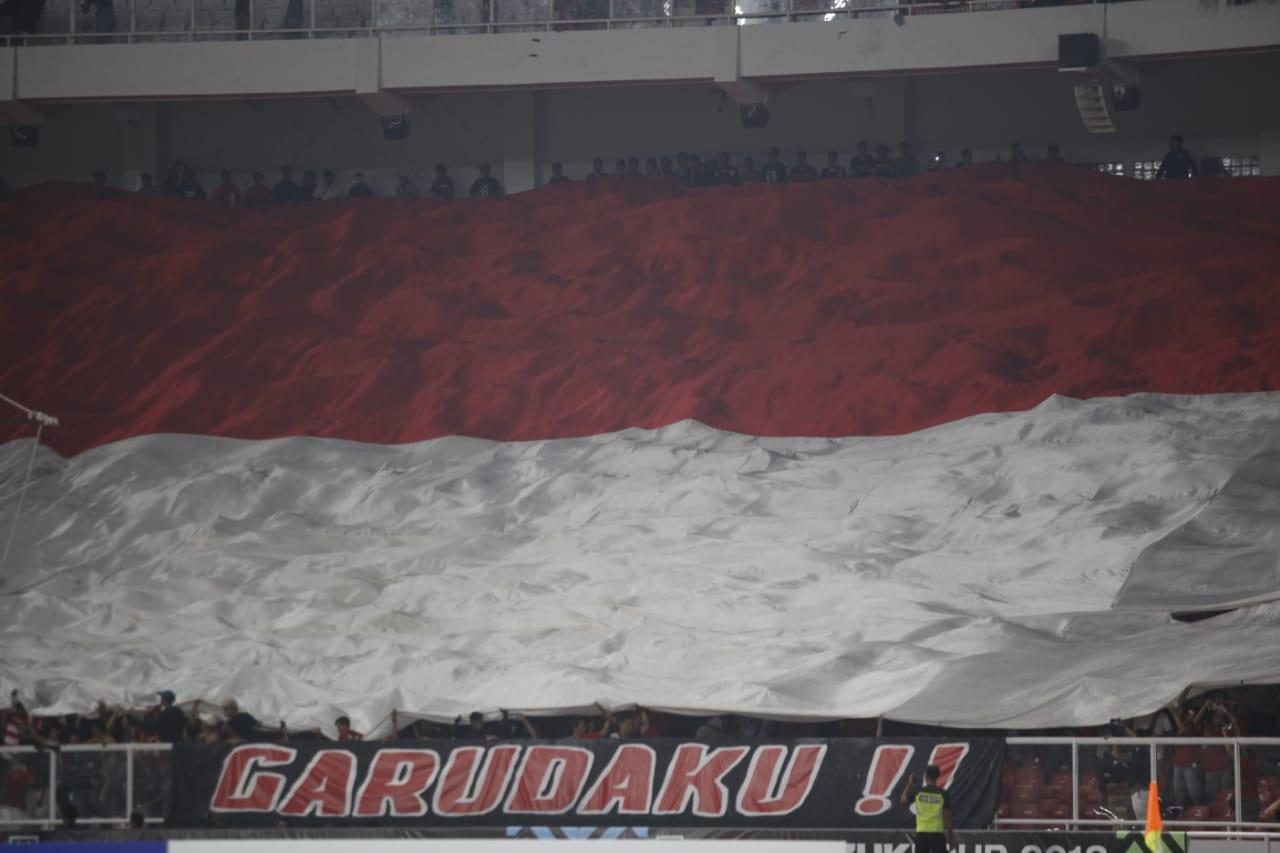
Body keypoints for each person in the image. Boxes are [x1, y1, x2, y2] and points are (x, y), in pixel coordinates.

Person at [900, 765, 954, 853]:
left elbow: (902, 802)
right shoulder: (943, 794)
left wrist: (910, 783)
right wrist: (951, 837)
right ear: (938, 777)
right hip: (937, 834)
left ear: (925, 776)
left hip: (922, 834)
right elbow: (947, 819)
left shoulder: (918, 792)